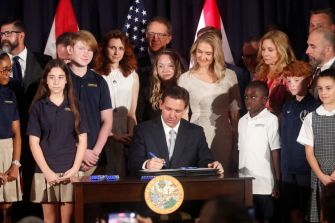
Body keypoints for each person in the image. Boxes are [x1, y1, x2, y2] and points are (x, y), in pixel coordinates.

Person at [26, 59, 88, 222]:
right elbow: (33, 143)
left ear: (67, 80)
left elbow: (82, 140)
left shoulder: (75, 105)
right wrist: (47, 171)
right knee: (50, 219)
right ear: (45, 79)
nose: (56, 81)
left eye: (60, 77)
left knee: (67, 219)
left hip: (69, 170)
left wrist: (74, 169)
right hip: (45, 170)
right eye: (52, 77)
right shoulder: (38, 107)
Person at [0, 18, 51, 206]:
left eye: (7, 33)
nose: (3, 37)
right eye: (1, 34)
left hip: (36, 135)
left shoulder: (44, 62)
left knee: (32, 191)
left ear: (21, 35)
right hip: (6, 135)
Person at [178, 31, 241, 175]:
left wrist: (236, 137)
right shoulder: (185, 78)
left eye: (208, 53)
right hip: (196, 131)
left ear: (216, 54)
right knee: (200, 175)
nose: (202, 57)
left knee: (222, 174)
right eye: (199, 51)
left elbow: (234, 111)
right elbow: (183, 113)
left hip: (223, 134)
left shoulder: (230, 76)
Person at [128, 85, 223, 174]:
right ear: (161, 104)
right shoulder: (143, 130)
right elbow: (133, 162)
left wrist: (212, 165)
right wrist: (147, 164)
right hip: (153, 186)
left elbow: (205, 160)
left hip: (185, 187)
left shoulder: (196, 132)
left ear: (185, 109)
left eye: (177, 111)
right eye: (168, 109)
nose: (172, 115)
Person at [93, 29, 139, 176]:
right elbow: (93, 112)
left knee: (125, 174)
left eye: (120, 48)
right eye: (112, 47)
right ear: (105, 48)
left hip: (125, 130)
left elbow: (132, 112)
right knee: (105, 174)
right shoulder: (94, 75)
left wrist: (131, 133)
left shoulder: (132, 75)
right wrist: (111, 134)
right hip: (103, 130)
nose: (116, 52)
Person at [67, 30, 113, 175]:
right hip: (66, 155)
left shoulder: (100, 81)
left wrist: (94, 153)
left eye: (90, 50)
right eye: (81, 48)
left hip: (94, 159)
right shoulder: (60, 78)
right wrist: (80, 151)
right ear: (69, 49)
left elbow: (107, 120)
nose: (86, 54)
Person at [280, 61, 320, 223]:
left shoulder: (315, 107)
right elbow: (284, 137)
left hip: (305, 168)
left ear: (309, 81)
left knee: (306, 210)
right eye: (289, 80)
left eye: (297, 80)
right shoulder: (287, 106)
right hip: (288, 168)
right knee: (290, 210)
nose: (292, 84)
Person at [238, 81, 281, 223]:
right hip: (245, 184)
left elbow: (275, 151)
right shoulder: (242, 121)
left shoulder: (271, 120)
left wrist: (277, 181)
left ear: (265, 100)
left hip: (265, 184)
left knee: (265, 218)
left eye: (253, 97)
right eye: (246, 97)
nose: (248, 100)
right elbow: (240, 151)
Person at [297, 69, 335, 222]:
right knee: (322, 215)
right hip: (319, 176)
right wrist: (322, 176)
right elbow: (309, 152)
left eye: (328, 88)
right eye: (320, 88)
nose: (323, 92)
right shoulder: (311, 117)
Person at [197, 26, 250, 116]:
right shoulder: (189, 76)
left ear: (220, 43)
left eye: (210, 40)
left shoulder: (238, 74)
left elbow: (241, 109)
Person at [0, 53, 22, 223]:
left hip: (7, 153)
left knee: (7, 207)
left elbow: (16, 133)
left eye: (9, 70)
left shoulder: (10, 94)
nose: (8, 73)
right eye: (4, 70)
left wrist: (15, 165)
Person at [137, 48, 184, 123]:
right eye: (161, 66)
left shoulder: (184, 92)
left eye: (170, 65)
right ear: (156, 69)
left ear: (177, 67)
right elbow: (139, 121)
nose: (165, 70)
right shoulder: (146, 93)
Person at [255, 29, 295, 116]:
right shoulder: (260, 73)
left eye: (270, 50)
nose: (265, 54)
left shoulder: (288, 75)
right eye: (263, 49)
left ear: (281, 51)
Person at [137, 16, 173, 89]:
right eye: (151, 34)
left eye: (160, 34)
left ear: (169, 39)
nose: (155, 38)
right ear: (146, 36)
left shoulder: (177, 61)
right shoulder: (135, 62)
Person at [306, 28, 335, 99]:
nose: (307, 51)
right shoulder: (308, 71)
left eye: (313, 46)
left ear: (328, 49)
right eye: (308, 46)